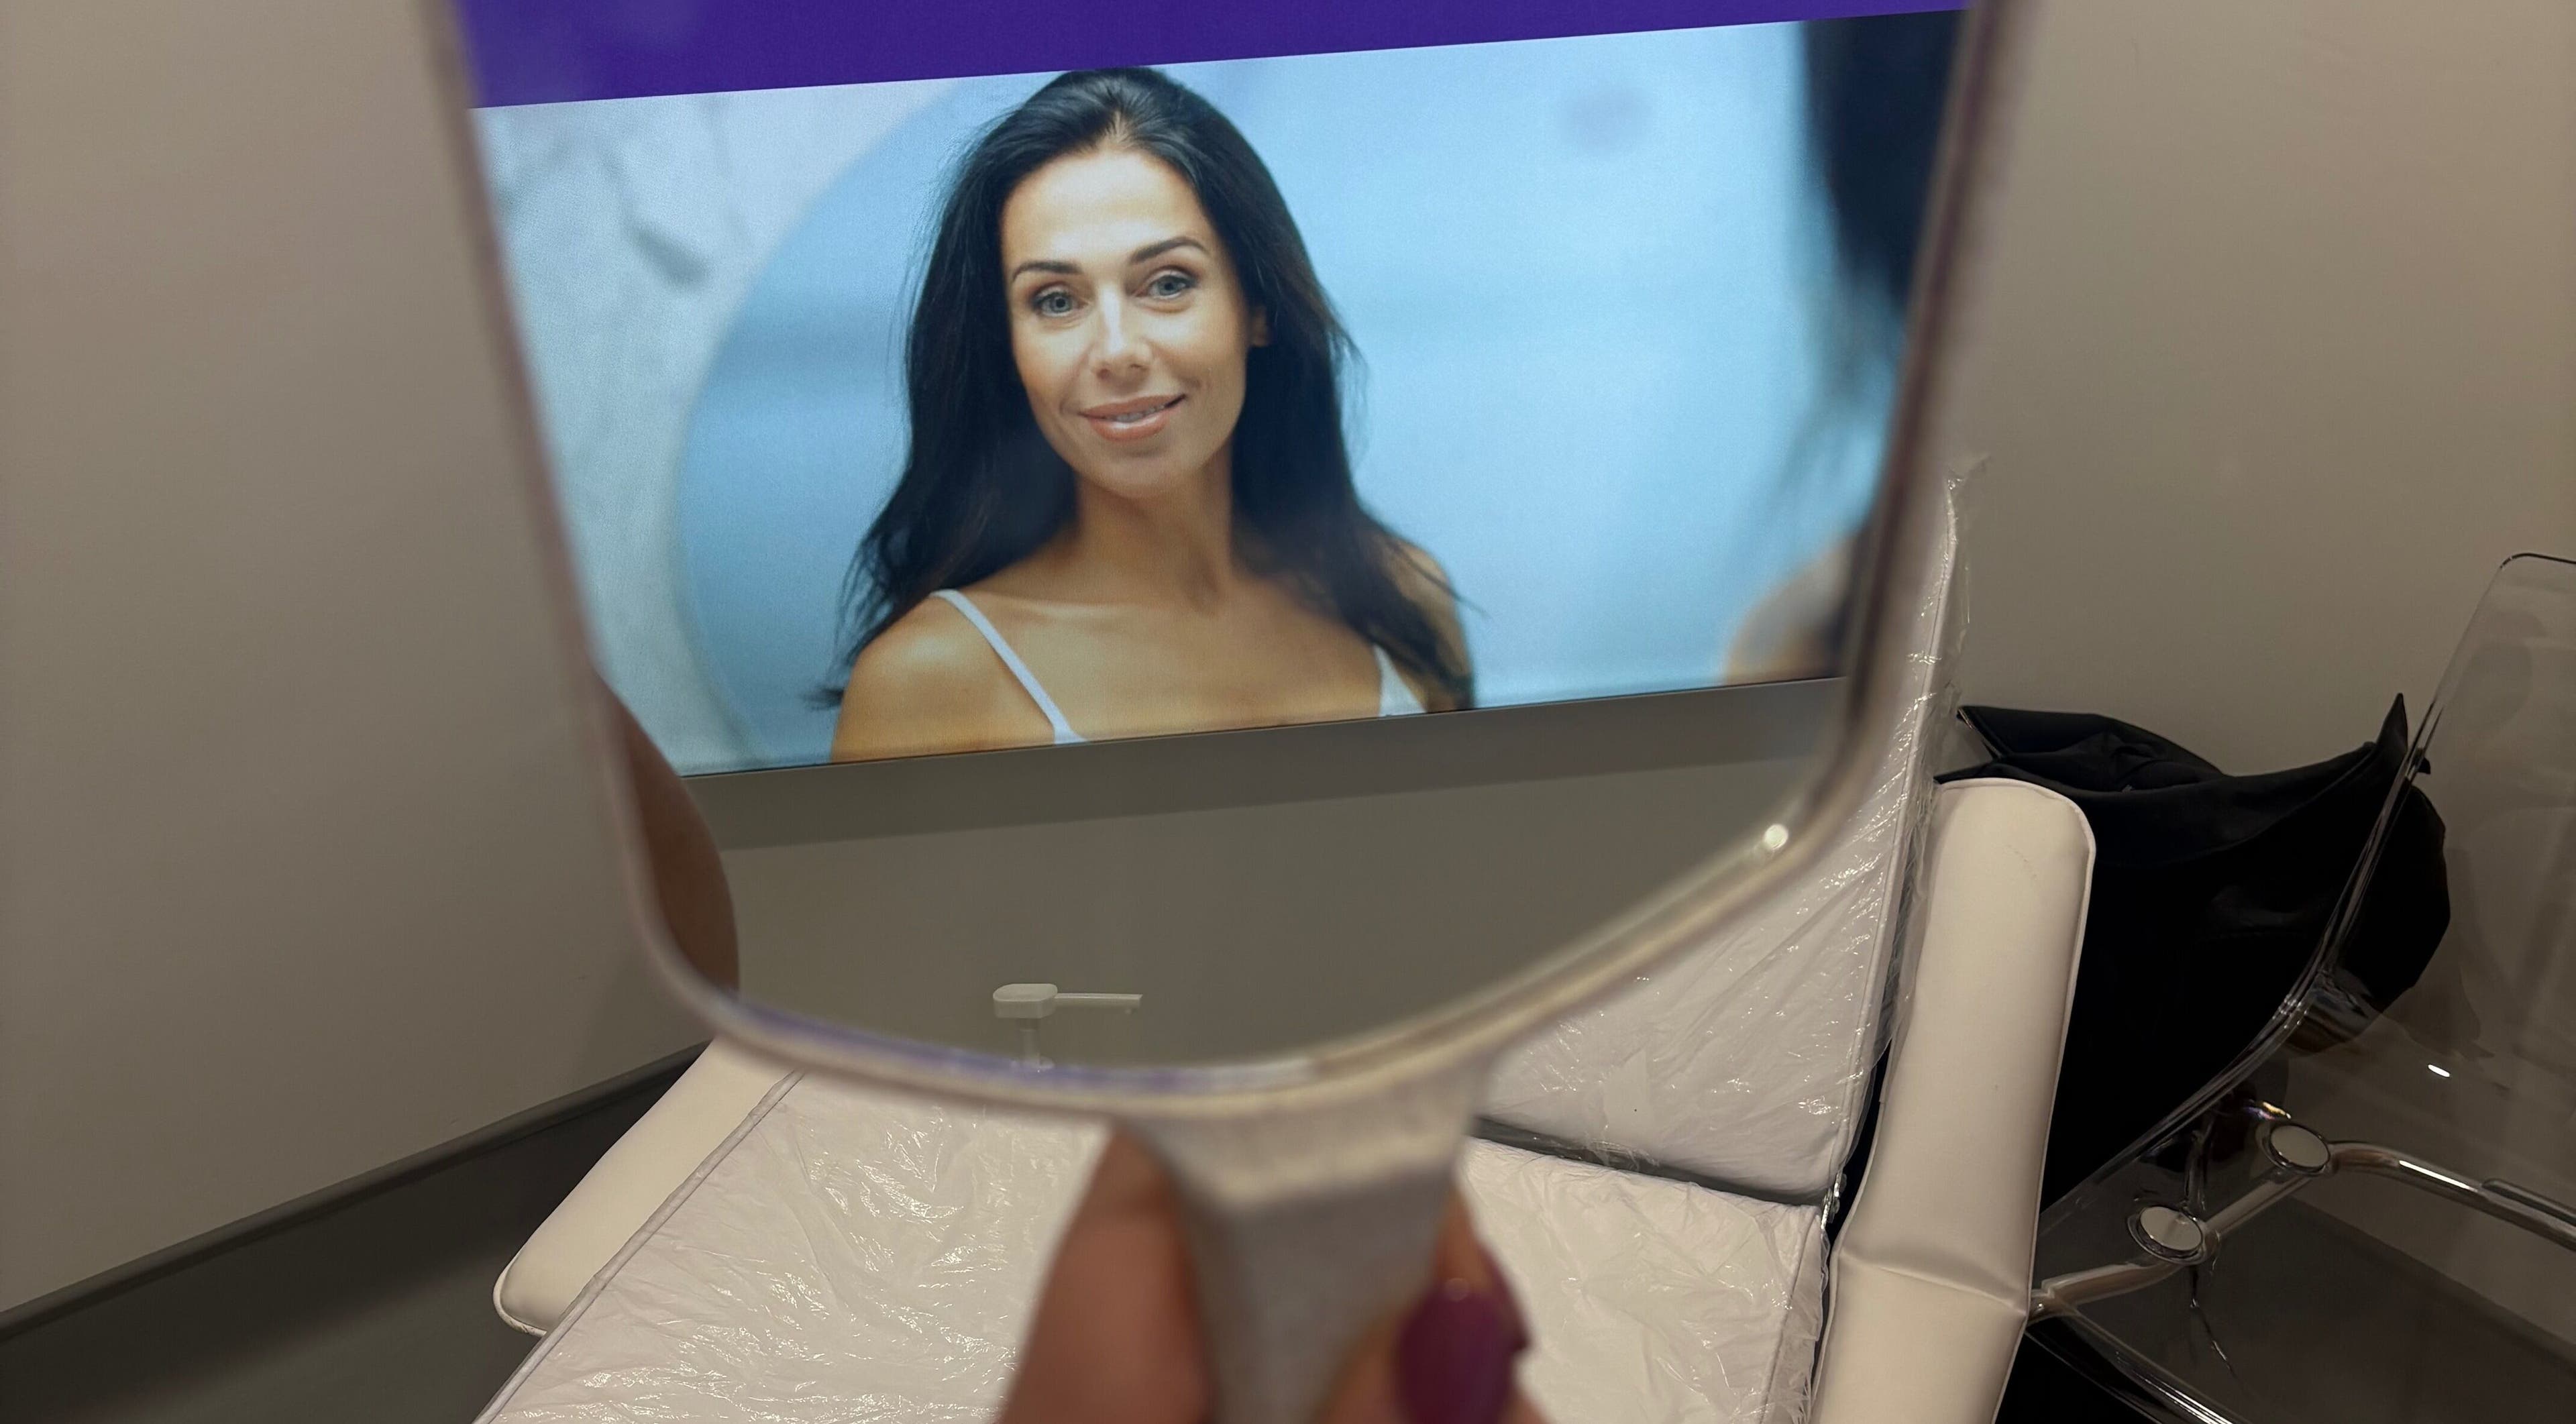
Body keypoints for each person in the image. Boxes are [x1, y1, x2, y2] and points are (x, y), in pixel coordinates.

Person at [826, 68, 1469, 763]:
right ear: (1005, 347)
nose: (1117, 352)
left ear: (1258, 308)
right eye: (1055, 300)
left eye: (1167, 284)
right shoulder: (928, 681)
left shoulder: (1403, 599)